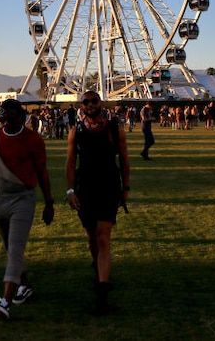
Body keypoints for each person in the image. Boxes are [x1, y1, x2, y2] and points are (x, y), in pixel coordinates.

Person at [0, 98, 55, 321]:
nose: (7, 122)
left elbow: (42, 171)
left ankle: (5, 301)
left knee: (15, 249)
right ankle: (24, 285)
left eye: (11, 118)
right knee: (9, 248)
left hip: (23, 199)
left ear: (21, 118)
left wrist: (49, 203)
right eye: (3, 118)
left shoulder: (33, 139)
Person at [66, 91, 131, 314]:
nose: (90, 104)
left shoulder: (115, 129)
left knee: (104, 237)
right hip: (85, 188)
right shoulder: (76, 131)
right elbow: (69, 162)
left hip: (108, 187)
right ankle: (98, 268)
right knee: (92, 236)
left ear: (100, 103)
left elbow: (124, 158)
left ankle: (102, 292)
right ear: (81, 107)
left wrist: (126, 187)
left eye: (94, 101)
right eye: (86, 102)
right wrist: (70, 190)